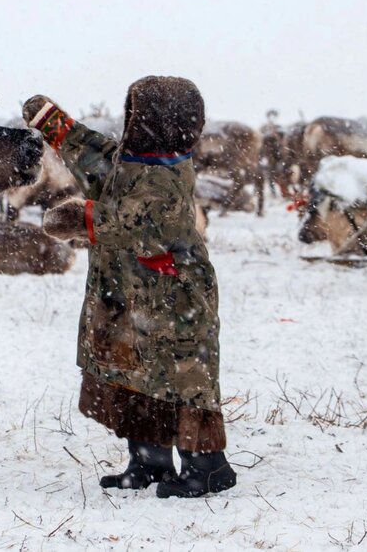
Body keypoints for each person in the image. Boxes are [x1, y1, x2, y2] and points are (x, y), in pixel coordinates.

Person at [22, 76, 236, 498]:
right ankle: (149, 462)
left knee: (183, 380)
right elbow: (95, 157)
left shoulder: (168, 176)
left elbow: (138, 224)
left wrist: (80, 218)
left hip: (174, 299)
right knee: (136, 375)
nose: (130, 120)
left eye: (137, 113)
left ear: (153, 121)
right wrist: (56, 125)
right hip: (128, 295)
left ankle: (208, 467)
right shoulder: (132, 161)